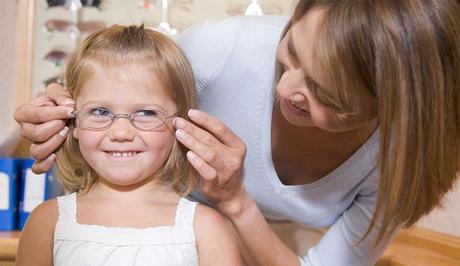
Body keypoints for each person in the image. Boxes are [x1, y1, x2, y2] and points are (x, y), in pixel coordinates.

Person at [14, 0, 460, 265]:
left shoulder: (402, 164)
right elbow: (125, 82)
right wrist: (62, 103)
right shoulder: (219, 51)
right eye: (290, 52)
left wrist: (235, 202)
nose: (285, 88)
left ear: (394, 109)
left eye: (327, 95)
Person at [15, 25, 241, 266]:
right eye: (100, 111)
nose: (121, 132)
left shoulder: (206, 229)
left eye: (145, 112)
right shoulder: (48, 222)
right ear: (74, 121)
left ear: (181, 125)